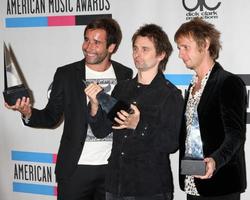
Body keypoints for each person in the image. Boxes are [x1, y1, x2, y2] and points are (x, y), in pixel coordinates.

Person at [5, 18, 133, 200]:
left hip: (113, 169)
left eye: (96, 42)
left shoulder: (124, 74)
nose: (88, 47)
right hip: (75, 169)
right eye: (86, 39)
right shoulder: (67, 74)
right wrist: (27, 112)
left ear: (111, 47)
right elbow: (51, 117)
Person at [85, 24, 184, 200]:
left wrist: (139, 125)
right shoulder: (121, 89)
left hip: (149, 188)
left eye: (145, 49)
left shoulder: (170, 94)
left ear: (161, 55)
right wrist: (94, 106)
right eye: (135, 49)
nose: (137, 54)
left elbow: (171, 144)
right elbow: (101, 131)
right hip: (115, 184)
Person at [174, 17, 247, 200]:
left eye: (185, 47)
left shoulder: (228, 83)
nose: (180, 54)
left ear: (205, 44)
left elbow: (235, 135)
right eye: (179, 48)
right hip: (192, 183)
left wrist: (215, 160)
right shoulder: (192, 87)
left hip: (220, 184)